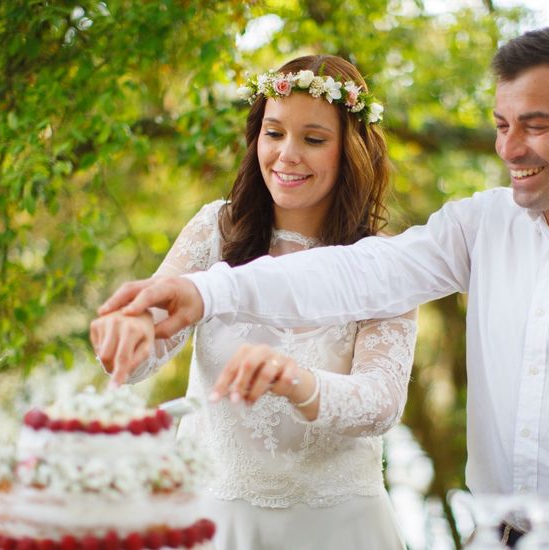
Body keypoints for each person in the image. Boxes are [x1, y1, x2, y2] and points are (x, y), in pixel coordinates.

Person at [96, 27, 549, 548]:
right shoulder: (483, 224)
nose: (509, 148)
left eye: (534, 125)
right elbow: (361, 272)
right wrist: (208, 294)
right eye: (501, 124)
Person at [90, 55, 417, 549]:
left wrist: (297, 382)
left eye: (313, 139)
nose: (287, 155)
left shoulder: (386, 263)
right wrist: (129, 335)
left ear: (350, 151)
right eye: (273, 132)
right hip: (216, 523)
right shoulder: (214, 231)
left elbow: (381, 403)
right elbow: (142, 355)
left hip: (337, 528)